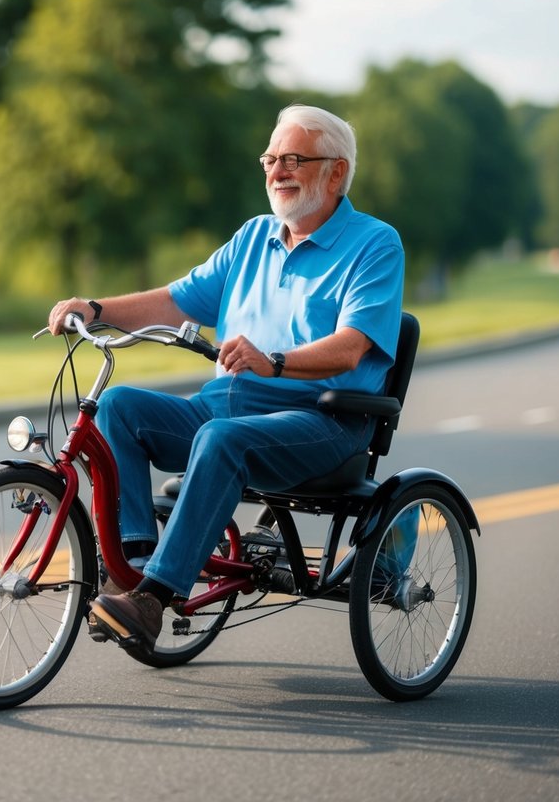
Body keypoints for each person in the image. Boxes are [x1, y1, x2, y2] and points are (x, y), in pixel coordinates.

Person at [46, 104, 405, 651]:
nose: (276, 170)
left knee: (221, 439)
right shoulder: (253, 237)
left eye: (293, 159)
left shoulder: (375, 244)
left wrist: (274, 361)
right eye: (270, 158)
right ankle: (133, 566)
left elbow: (352, 346)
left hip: (324, 422)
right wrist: (94, 308)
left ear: (336, 172)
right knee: (118, 408)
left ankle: (151, 600)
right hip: (227, 405)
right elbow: (173, 300)